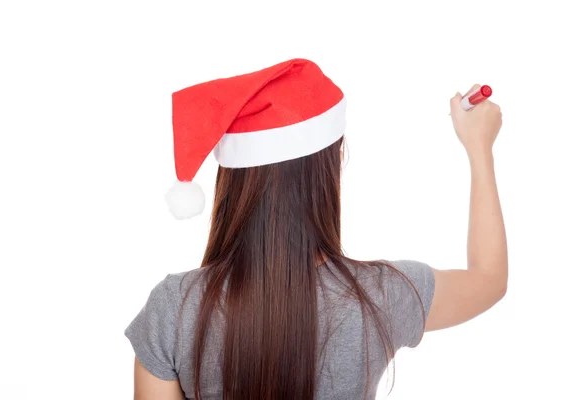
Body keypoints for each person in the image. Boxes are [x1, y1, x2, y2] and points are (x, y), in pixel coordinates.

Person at [124, 59, 507, 399]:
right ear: (328, 170)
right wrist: (479, 148)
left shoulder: (172, 307)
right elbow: (489, 279)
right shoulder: (379, 295)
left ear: (233, 183)